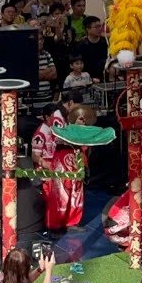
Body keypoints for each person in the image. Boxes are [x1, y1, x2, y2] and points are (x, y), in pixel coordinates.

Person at [33, 94, 84, 230]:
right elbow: (58, 138)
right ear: (71, 102)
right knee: (60, 192)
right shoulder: (55, 118)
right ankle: (55, 225)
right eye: (77, 108)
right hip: (59, 159)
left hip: (72, 157)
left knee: (74, 191)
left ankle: (71, 221)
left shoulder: (67, 116)